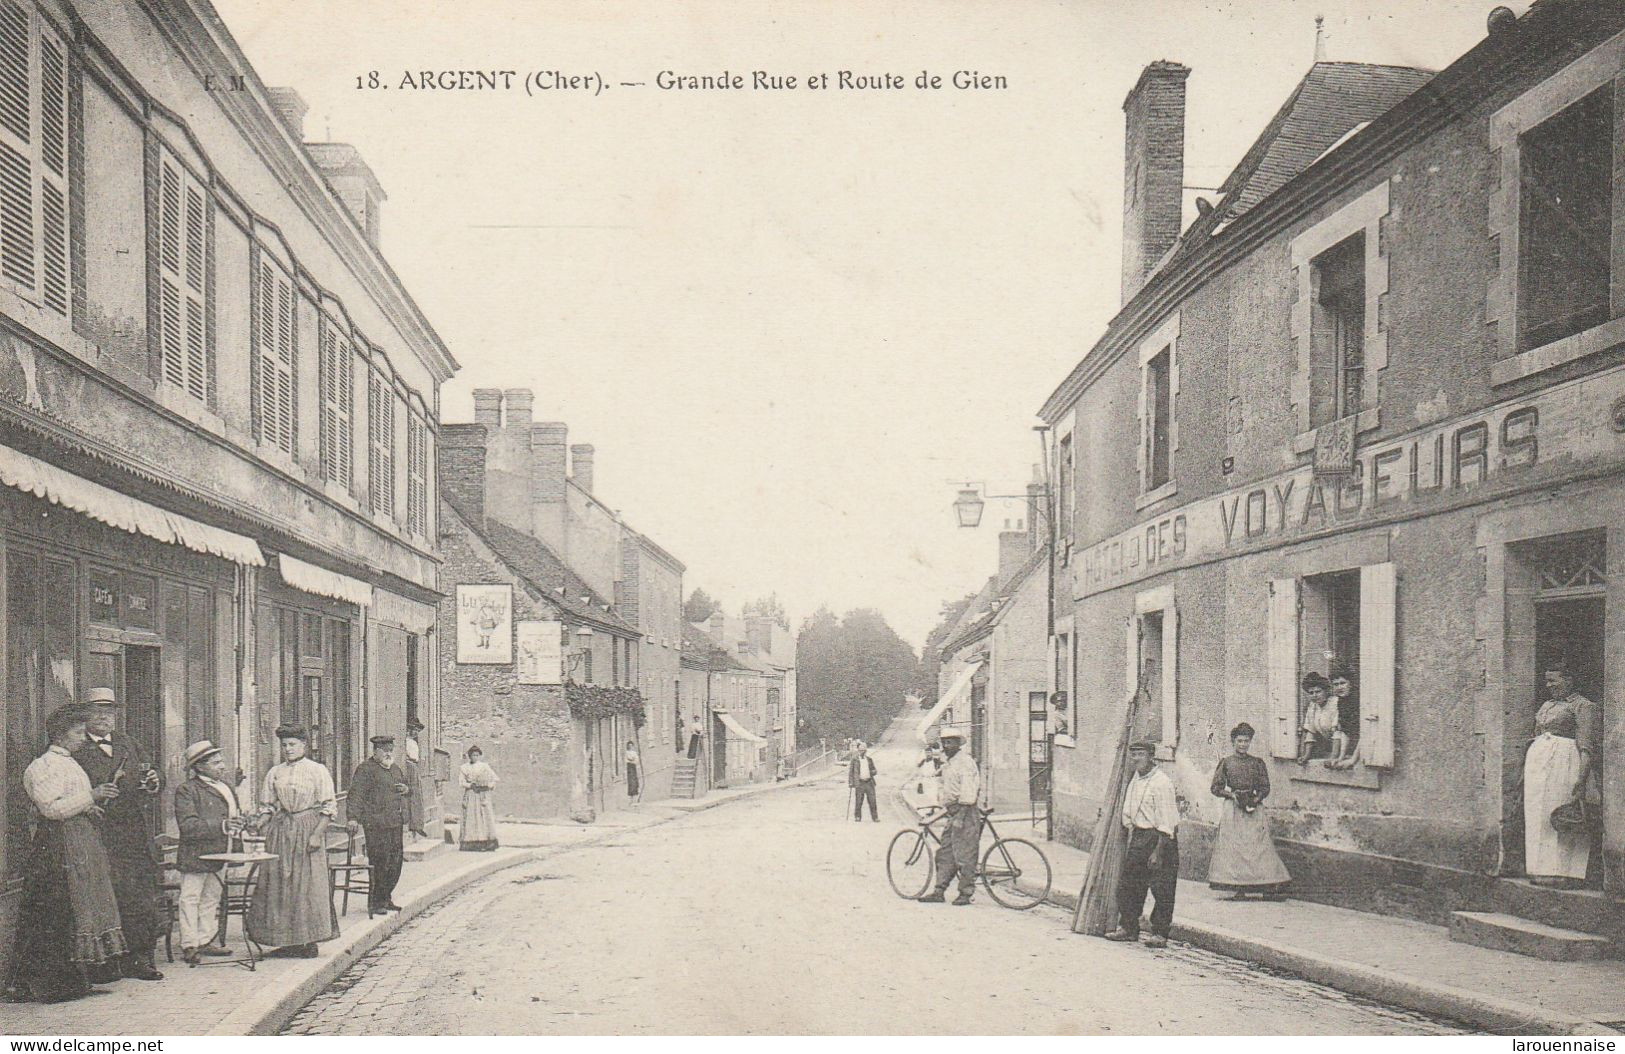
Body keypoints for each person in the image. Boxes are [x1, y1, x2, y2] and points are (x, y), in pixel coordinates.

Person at [7, 705, 126, 1002]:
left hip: (78, 842)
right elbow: (51, 809)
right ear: (60, 735)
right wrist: (91, 796)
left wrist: (90, 806)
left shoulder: (69, 763)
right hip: (56, 847)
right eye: (77, 733)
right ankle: (49, 985)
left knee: (78, 908)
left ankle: (75, 980)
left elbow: (70, 802)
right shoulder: (43, 766)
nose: (83, 738)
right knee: (56, 910)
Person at [71, 687, 164, 981]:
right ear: (84, 716)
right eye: (97, 711)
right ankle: (109, 963)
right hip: (100, 833)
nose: (104, 717)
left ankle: (141, 958)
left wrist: (153, 782)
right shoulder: (76, 749)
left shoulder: (128, 743)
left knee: (139, 896)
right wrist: (95, 795)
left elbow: (152, 775)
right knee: (109, 895)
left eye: (109, 711)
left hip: (134, 833)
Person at [246, 727, 338, 957]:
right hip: (281, 830)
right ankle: (285, 940)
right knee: (280, 883)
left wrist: (316, 834)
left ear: (304, 745)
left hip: (307, 828)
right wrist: (258, 823)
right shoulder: (275, 772)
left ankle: (307, 940)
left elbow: (328, 807)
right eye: (285, 745)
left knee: (306, 884)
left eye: (292, 745)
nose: (288, 749)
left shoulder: (317, 771)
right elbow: (268, 806)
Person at [1524, 660, 1599, 888]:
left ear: (1569, 680)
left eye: (1553, 680)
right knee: (1539, 814)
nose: (1549, 686)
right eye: (1546, 681)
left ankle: (1565, 872)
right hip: (1540, 765)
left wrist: (1581, 778)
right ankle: (1540, 869)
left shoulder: (1583, 706)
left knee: (1561, 812)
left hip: (1565, 763)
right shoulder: (1547, 706)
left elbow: (1586, 745)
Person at [172, 740, 242, 965]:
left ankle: (206, 939)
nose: (222, 766)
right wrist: (223, 825)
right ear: (200, 767)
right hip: (197, 853)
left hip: (223, 850)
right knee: (190, 898)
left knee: (212, 897)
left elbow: (232, 815)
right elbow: (188, 825)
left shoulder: (226, 787)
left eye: (221, 761)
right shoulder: (187, 790)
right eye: (216, 762)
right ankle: (190, 944)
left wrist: (240, 823)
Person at [1105, 741, 1181, 947]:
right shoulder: (1136, 780)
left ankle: (1160, 933)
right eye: (1134, 755)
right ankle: (1129, 928)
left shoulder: (1161, 782)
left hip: (1160, 839)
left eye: (1140, 754)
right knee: (1129, 885)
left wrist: (1158, 852)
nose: (1136, 759)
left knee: (1162, 889)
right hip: (1139, 837)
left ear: (1151, 756)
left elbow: (1168, 821)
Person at [1207, 723, 1290, 899]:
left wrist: (1256, 798)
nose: (1243, 744)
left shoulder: (1257, 763)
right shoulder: (1227, 763)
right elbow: (1215, 787)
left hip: (1254, 808)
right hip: (1234, 810)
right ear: (1233, 741)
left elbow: (1265, 787)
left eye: (1246, 741)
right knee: (1236, 848)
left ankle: (1266, 884)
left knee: (1259, 846)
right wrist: (1231, 795)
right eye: (1240, 741)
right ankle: (1239, 887)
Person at [347, 735, 410, 914]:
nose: (388, 754)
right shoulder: (365, 769)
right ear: (375, 752)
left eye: (391, 750)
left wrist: (406, 790)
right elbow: (355, 795)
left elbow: (405, 787)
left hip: (394, 823)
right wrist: (353, 817)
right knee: (379, 861)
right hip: (375, 824)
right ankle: (376, 902)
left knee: (395, 862)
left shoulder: (395, 769)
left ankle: (386, 897)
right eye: (385, 751)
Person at [917, 728, 980, 905]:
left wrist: (960, 817)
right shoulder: (949, 763)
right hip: (953, 811)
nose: (946, 745)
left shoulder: (965, 763)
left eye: (950, 742)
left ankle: (966, 893)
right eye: (944, 742)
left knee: (965, 854)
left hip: (966, 812)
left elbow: (968, 793)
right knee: (945, 852)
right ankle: (939, 891)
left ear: (958, 744)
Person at [1295, 672, 1344, 765]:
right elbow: (1311, 732)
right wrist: (1306, 756)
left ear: (1326, 691)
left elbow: (1338, 732)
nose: (1314, 695)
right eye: (1311, 693)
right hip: (1329, 749)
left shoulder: (1336, 703)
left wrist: (1333, 758)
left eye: (1318, 692)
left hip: (1344, 750)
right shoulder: (1313, 706)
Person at [459, 746, 500, 851]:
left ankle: (485, 842)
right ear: (469, 756)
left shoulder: (484, 766)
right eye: (473, 755)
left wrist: (488, 786)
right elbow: (461, 782)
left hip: (482, 795)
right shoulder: (464, 767)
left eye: (477, 755)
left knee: (484, 817)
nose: (475, 757)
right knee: (471, 817)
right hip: (471, 794)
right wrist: (470, 786)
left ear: (479, 756)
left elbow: (494, 778)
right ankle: (471, 843)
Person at [404, 718, 428, 838]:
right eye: (414, 730)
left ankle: (417, 824)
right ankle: (413, 823)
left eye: (417, 731)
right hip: (409, 767)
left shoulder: (413, 742)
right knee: (411, 795)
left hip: (414, 767)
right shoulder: (406, 742)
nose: (415, 733)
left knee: (416, 795)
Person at [848, 742, 878, 822]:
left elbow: (874, 770)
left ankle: (875, 817)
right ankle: (857, 817)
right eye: (861, 750)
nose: (862, 752)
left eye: (864, 750)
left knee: (872, 801)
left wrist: (873, 771)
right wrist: (851, 782)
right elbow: (851, 772)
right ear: (858, 750)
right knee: (859, 801)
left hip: (869, 782)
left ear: (866, 751)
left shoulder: (869, 759)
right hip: (860, 783)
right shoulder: (854, 760)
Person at [625, 740, 643, 805]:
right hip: (629, 769)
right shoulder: (627, 752)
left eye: (631, 746)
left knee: (635, 783)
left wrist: (632, 760)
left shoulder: (634, 753)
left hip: (633, 768)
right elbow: (627, 760)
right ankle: (631, 800)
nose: (630, 747)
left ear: (632, 746)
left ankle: (635, 799)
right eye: (629, 746)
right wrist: (631, 760)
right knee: (630, 783)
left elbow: (636, 760)